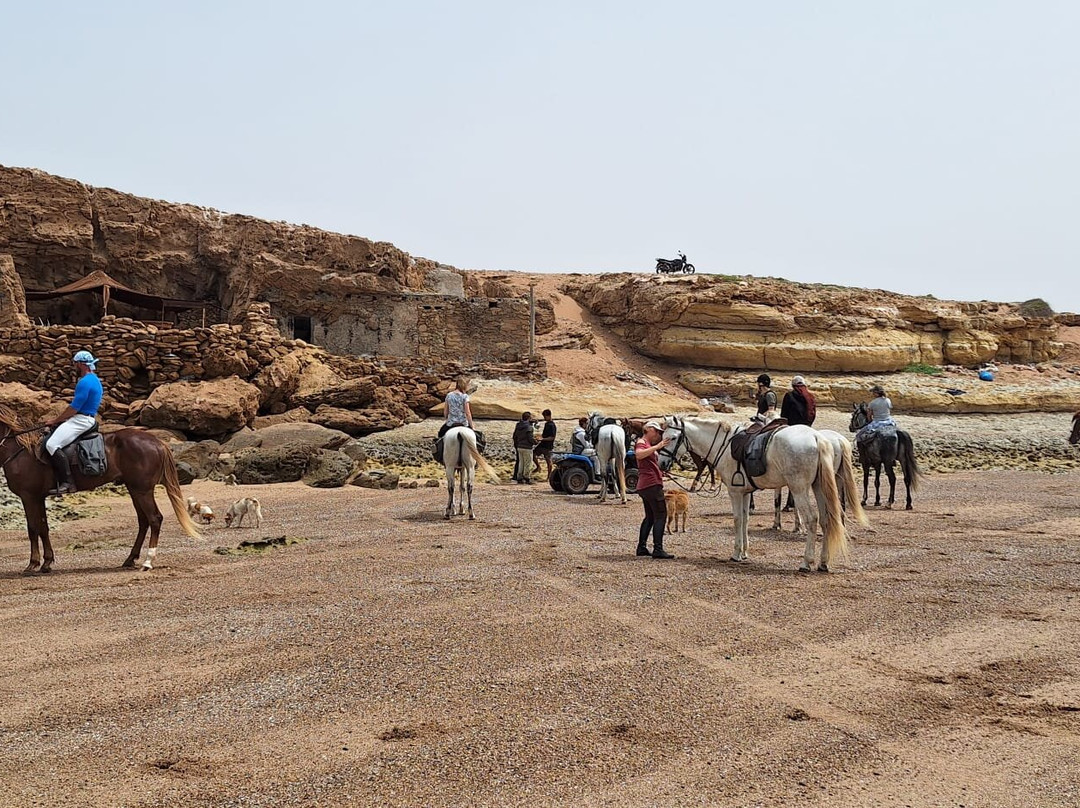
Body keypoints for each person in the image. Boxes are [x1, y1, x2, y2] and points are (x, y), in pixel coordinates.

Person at [44, 349, 103, 495]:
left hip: (81, 420)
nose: (74, 367)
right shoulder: (95, 379)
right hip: (86, 417)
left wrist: (55, 420)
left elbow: (74, 408)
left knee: (51, 444)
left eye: (75, 364)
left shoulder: (85, 382)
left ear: (81, 365)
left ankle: (67, 483)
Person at [633, 420, 674, 559]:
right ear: (649, 429)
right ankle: (658, 549)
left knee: (650, 516)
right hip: (651, 484)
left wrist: (660, 471)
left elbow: (647, 462)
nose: (657, 434)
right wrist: (658, 446)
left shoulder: (647, 444)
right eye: (656, 431)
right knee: (660, 515)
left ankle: (642, 547)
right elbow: (639, 454)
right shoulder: (642, 442)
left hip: (646, 484)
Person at [779, 376, 817, 510]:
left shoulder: (789, 396)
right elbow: (813, 414)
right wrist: (807, 427)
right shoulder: (811, 396)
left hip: (791, 430)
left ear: (793, 385)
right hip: (807, 429)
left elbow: (784, 415)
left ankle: (790, 501)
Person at [532, 409, 557, 480]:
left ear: (548, 416)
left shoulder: (552, 425)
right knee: (533, 454)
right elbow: (545, 434)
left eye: (545, 416)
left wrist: (543, 439)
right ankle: (538, 466)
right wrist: (540, 437)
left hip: (548, 446)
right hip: (542, 444)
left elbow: (552, 437)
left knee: (548, 461)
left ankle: (549, 477)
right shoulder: (547, 424)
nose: (544, 418)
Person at [512, 411, 536, 484]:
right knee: (528, 463)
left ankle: (519, 477)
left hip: (519, 446)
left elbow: (514, 436)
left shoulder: (518, 425)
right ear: (529, 418)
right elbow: (529, 438)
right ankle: (527, 477)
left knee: (521, 463)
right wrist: (535, 442)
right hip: (527, 447)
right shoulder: (529, 427)